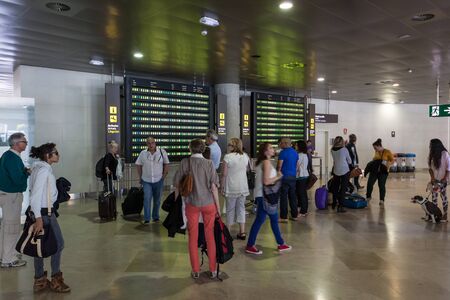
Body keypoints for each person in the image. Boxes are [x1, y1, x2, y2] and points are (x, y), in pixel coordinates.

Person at [173, 139, 220, 279]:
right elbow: (214, 188)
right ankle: (212, 270)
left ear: (190, 149)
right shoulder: (209, 163)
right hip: (209, 204)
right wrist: (217, 207)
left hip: (191, 204)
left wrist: (176, 204)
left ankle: (195, 270)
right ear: (203, 148)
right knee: (210, 236)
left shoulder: (185, 163)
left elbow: (177, 185)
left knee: (192, 237)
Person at [29, 143, 70, 293]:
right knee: (58, 244)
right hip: (44, 214)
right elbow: (34, 196)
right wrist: (39, 218)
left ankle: (40, 280)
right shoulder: (43, 172)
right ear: (48, 156)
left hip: (40, 212)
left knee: (39, 246)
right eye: (56, 153)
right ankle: (55, 280)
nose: (58, 155)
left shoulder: (38, 169)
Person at [246, 142, 291, 255]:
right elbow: (266, 181)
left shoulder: (262, 162)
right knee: (272, 219)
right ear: (265, 151)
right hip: (265, 196)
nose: (273, 149)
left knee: (264, 220)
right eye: (270, 148)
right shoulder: (266, 162)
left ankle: (252, 244)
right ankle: (280, 243)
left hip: (262, 196)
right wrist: (278, 176)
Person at [0, 132, 29, 268]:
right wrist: (26, 174)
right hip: (11, 195)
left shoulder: (9, 156)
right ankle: (8, 259)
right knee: (11, 227)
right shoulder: (12, 158)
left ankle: (4, 254)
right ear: (16, 144)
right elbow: (17, 180)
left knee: (6, 226)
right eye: (24, 141)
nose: (26, 143)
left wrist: (23, 172)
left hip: (7, 194)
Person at [220, 138, 250, 240]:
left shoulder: (227, 157)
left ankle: (228, 232)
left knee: (230, 210)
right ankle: (242, 232)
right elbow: (246, 170)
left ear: (234, 146)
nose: (228, 146)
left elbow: (224, 174)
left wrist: (222, 186)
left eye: (230, 145)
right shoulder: (245, 156)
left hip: (231, 187)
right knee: (241, 208)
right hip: (243, 187)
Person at [136, 137, 169, 224]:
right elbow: (138, 165)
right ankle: (147, 218)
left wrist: (164, 175)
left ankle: (155, 217)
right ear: (146, 144)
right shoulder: (143, 153)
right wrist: (140, 177)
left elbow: (166, 163)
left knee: (157, 200)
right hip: (146, 180)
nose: (151, 145)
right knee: (147, 198)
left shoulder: (162, 152)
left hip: (159, 180)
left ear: (155, 143)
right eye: (149, 143)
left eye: (152, 143)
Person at [366, 138, 394, 207]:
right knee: (369, 183)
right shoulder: (376, 152)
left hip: (383, 172)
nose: (374, 149)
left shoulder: (387, 151)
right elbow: (375, 158)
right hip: (374, 171)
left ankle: (382, 199)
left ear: (379, 146)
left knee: (381, 185)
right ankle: (368, 197)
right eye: (374, 148)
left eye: (375, 148)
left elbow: (392, 160)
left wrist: (387, 163)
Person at [428, 138, 450, 222]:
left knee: (443, 197)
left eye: (431, 145)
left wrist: (445, 178)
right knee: (434, 197)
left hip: (443, 180)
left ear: (436, 146)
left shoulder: (445, 154)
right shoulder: (431, 155)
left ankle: (445, 215)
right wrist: (432, 178)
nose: (430, 147)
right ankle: (435, 214)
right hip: (435, 180)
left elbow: (448, 168)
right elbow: (430, 168)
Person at [277, 137, 299, 222]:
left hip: (284, 177)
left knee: (283, 197)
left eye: (281, 143)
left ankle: (284, 217)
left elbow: (279, 166)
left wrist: (277, 173)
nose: (280, 144)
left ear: (285, 143)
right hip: (293, 177)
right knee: (292, 196)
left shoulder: (283, 153)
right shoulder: (295, 152)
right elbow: (297, 166)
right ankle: (294, 215)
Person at [331, 136, 352, 213]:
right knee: (343, 188)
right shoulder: (344, 149)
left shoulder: (332, 150)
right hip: (344, 170)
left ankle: (334, 203)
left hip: (336, 170)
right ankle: (341, 206)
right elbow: (349, 161)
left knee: (335, 187)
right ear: (342, 142)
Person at [296, 140, 309, 217]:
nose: (295, 147)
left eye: (297, 145)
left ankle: (303, 211)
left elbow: (296, 166)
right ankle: (302, 209)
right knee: (301, 193)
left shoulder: (300, 155)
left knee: (302, 194)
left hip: (301, 176)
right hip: (303, 176)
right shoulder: (304, 154)